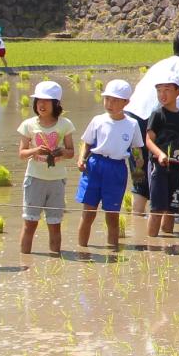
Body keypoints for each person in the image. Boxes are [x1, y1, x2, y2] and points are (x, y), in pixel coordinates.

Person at [128, 29, 179, 218]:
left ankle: (137, 223)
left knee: (140, 174)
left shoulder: (164, 63)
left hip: (131, 117)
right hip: (150, 120)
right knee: (168, 166)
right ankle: (178, 212)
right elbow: (178, 102)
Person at [76, 79, 140, 250]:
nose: (109, 104)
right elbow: (86, 142)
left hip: (117, 168)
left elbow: (136, 149)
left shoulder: (132, 124)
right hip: (95, 166)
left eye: (115, 100)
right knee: (88, 212)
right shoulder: (98, 120)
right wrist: (81, 158)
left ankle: (113, 252)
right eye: (107, 99)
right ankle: (82, 250)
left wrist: (140, 168)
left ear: (126, 102)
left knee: (112, 215)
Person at [17, 80, 75, 254]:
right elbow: (21, 153)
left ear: (56, 103)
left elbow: (71, 152)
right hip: (34, 179)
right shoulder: (28, 125)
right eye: (38, 101)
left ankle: (55, 261)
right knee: (30, 224)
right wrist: (35, 150)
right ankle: (25, 262)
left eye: (46, 101)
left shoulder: (65, 124)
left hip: (56, 180)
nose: (41, 104)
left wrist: (61, 151)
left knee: (55, 224)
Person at [143, 77, 179, 239]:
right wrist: (160, 154)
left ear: (178, 92)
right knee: (157, 208)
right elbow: (148, 140)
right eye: (159, 90)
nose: (162, 94)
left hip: (177, 168)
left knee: (172, 208)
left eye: (167, 90)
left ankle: (168, 243)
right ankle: (152, 245)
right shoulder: (157, 115)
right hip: (159, 168)